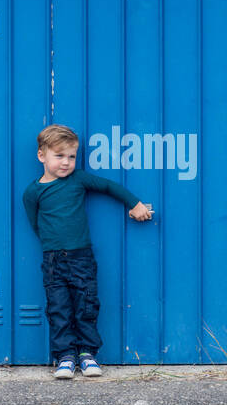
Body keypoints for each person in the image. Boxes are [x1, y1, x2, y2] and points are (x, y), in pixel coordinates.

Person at [22, 124, 154, 378]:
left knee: (86, 306)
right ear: (42, 156)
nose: (66, 162)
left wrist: (135, 203)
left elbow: (108, 187)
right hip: (53, 260)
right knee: (58, 309)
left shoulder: (79, 179)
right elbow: (36, 223)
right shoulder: (33, 192)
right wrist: (53, 244)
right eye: (59, 156)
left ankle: (87, 354)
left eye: (71, 157)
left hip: (81, 257)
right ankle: (65, 357)